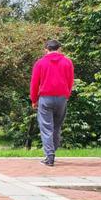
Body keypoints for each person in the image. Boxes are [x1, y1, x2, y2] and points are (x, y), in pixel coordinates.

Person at [30, 39, 74, 167]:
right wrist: (67, 95)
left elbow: (34, 83)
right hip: (61, 98)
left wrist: (34, 100)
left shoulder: (40, 63)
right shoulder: (67, 62)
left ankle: (50, 157)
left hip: (45, 98)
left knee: (46, 127)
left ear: (46, 49)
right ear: (59, 49)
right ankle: (52, 152)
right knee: (56, 127)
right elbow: (70, 80)